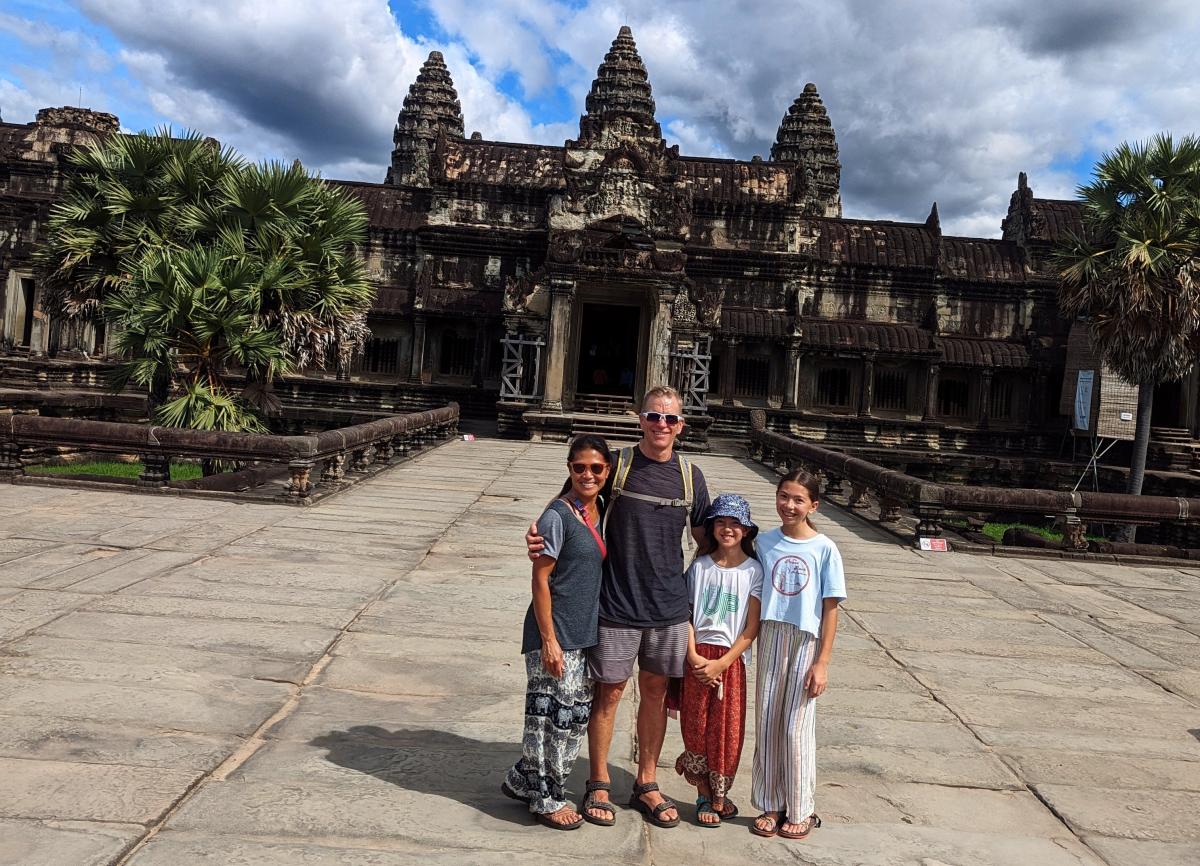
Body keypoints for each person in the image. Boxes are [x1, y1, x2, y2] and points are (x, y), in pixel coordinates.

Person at [526, 385, 710, 829]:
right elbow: (575, 503)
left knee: (655, 692)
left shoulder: (691, 476)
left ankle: (647, 781)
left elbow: (707, 542)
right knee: (608, 693)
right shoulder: (619, 466)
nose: (661, 425)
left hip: (668, 606)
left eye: (669, 418)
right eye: (653, 416)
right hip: (617, 603)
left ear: (681, 425)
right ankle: (599, 781)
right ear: (639, 420)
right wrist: (541, 537)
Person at [503, 435, 612, 830]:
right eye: (579, 467)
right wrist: (549, 640)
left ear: (607, 471)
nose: (587, 474)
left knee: (573, 716)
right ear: (568, 469)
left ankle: (521, 779)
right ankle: (546, 798)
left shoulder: (601, 508)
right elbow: (540, 580)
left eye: (596, 468)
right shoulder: (557, 514)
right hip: (553, 633)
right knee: (549, 719)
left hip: (583, 631)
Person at [750, 469, 846, 840]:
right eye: (783, 496)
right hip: (770, 634)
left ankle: (801, 807)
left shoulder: (824, 549)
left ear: (813, 506)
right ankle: (770, 804)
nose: (789, 505)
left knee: (796, 729)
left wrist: (822, 662)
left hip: (805, 640)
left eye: (798, 500)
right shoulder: (765, 542)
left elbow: (831, 608)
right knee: (769, 723)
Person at [675, 493, 762, 828]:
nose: (728, 529)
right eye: (722, 522)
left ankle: (720, 796)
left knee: (726, 730)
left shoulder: (754, 571)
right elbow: (687, 615)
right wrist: (694, 656)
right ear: (711, 528)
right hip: (697, 656)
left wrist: (722, 664)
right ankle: (702, 794)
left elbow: (751, 628)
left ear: (746, 531)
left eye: (735, 524)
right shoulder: (699, 567)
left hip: (730, 661)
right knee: (695, 726)